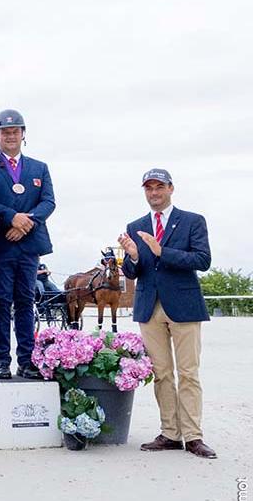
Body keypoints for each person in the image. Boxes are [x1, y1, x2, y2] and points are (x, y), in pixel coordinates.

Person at [119, 168, 215, 459]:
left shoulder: (192, 221)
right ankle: (171, 433)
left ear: (171, 188)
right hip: (149, 307)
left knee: (188, 373)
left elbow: (203, 259)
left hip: (184, 307)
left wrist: (162, 251)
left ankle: (194, 436)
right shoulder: (134, 225)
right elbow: (132, 271)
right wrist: (134, 256)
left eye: (159, 187)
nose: (154, 193)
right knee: (161, 374)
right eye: (149, 188)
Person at [0, 109, 56, 380]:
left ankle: (27, 359)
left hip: (28, 244)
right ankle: (1, 360)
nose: (10, 136)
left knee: (25, 301)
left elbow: (48, 202)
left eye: (15, 131)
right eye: (5, 132)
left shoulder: (39, 167)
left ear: (23, 134)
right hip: (1, 243)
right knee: (0, 300)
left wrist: (27, 222)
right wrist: (12, 218)